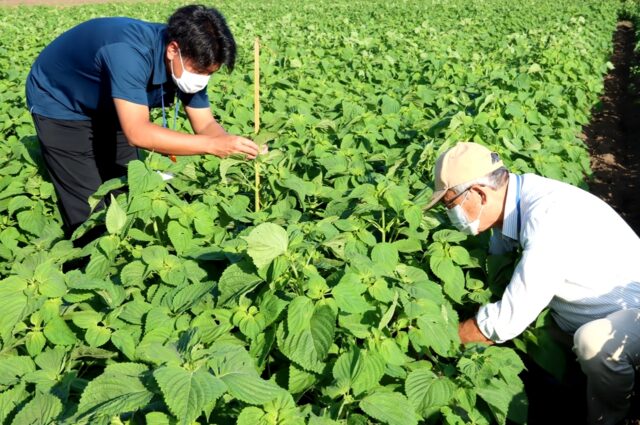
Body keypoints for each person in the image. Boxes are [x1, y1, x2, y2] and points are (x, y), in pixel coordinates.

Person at [423, 142, 640, 425]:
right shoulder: (511, 208)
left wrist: (439, 346)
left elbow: (504, 321)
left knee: (594, 344)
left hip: (628, 317)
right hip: (583, 312)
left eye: (451, 204)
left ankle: (611, 418)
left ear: (478, 193)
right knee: (538, 344)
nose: (451, 214)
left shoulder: (546, 217)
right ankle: (567, 392)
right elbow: (497, 274)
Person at [26, 4, 265, 235]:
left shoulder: (186, 60)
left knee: (127, 184)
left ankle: (126, 248)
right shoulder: (128, 53)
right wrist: (212, 146)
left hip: (116, 102)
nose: (202, 80)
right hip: (61, 100)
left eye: (210, 74)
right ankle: (86, 263)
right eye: (200, 71)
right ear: (173, 50)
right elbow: (138, 133)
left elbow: (205, 125)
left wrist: (237, 147)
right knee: (88, 204)